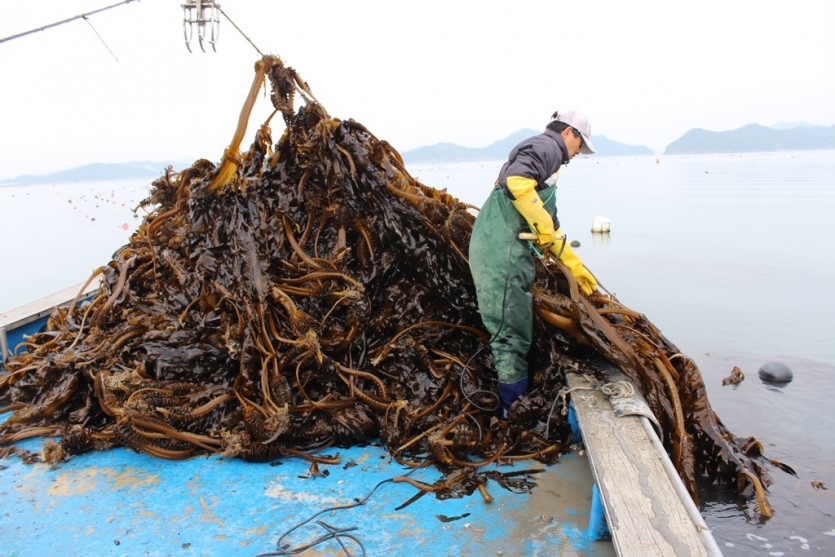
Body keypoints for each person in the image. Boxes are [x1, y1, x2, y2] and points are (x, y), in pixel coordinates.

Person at [468, 110, 598, 418]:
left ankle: (512, 405)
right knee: (511, 332)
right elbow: (516, 183)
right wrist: (541, 227)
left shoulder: (549, 163)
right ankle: (511, 414)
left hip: (506, 247)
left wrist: (574, 266)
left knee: (517, 331)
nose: (577, 154)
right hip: (502, 251)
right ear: (570, 133)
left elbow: (550, 224)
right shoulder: (549, 147)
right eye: (580, 146)